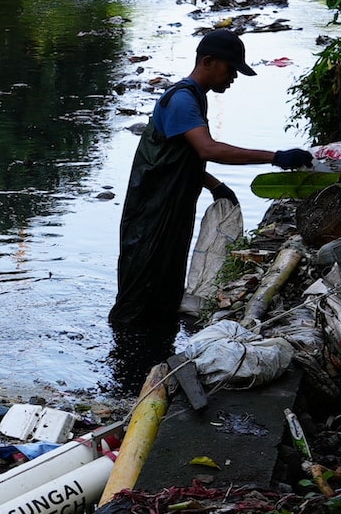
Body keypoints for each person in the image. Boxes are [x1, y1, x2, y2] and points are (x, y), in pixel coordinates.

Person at [107, 29, 312, 389]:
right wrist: (276, 157)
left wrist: (215, 186)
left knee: (165, 292)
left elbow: (179, 155)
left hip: (171, 210)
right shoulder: (183, 100)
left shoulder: (194, 98)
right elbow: (207, 149)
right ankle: (124, 376)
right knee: (138, 296)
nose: (233, 77)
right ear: (208, 62)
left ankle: (153, 368)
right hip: (151, 214)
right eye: (230, 69)